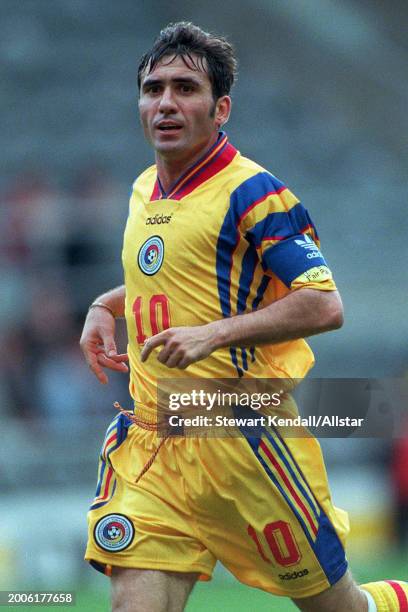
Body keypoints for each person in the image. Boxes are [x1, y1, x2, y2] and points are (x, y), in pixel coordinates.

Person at [80, 22, 407, 612]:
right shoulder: (143, 190)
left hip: (238, 431)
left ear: (221, 107)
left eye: (186, 88)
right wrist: (105, 305)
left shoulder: (254, 193)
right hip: (153, 440)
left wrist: (216, 335)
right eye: (153, 89)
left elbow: (324, 302)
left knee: (340, 608)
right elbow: (171, 279)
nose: (166, 103)